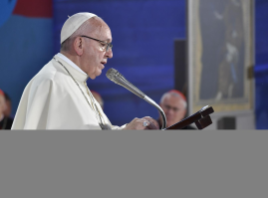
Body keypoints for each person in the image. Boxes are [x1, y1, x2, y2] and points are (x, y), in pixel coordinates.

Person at [11, 12, 158, 130]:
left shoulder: (76, 82)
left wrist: (129, 130)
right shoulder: (52, 82)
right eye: (103, 44)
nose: (110, 54)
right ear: (80, 44)